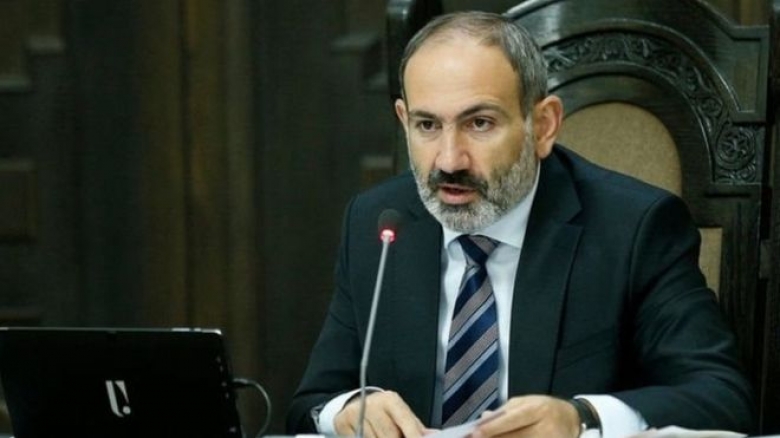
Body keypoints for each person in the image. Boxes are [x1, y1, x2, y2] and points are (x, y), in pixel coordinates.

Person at [287, 11, 753, 438]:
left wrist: (581, 419)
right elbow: (311, 404)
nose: (449, 160)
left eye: (480, 123)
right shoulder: (377, 224)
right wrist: (349, 409)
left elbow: (720, 397)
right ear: (403, 120)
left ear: (544, 125)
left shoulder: (633, 228)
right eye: (427, 126)